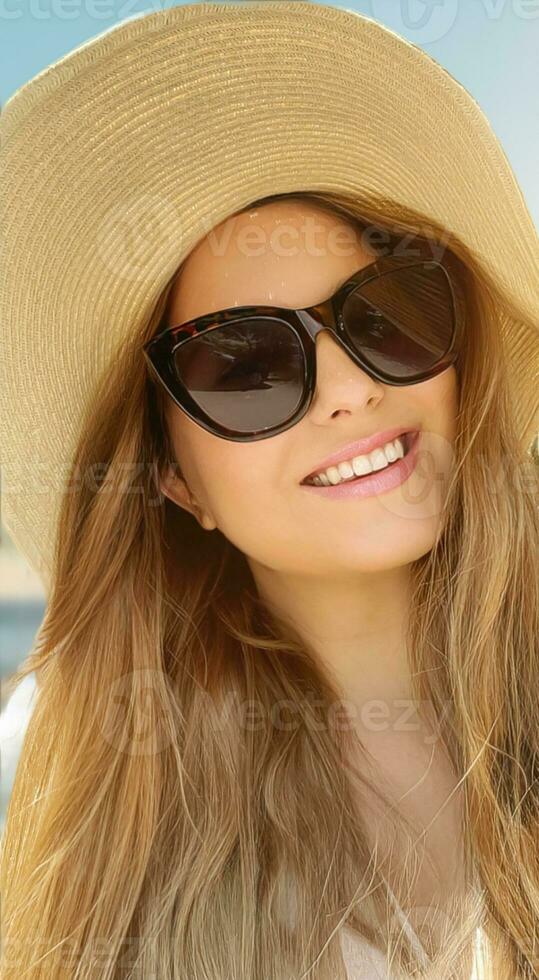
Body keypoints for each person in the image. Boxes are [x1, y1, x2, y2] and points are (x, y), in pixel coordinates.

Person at [1, 4, 538, 979]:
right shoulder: (66, 780)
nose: (349, 389)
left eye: (386, 313)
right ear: (169, 474)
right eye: (243, 364)